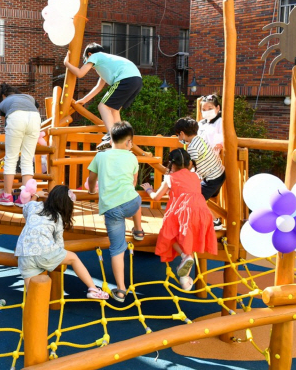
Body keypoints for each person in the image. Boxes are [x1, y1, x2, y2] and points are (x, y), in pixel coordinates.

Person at [141, 149, 217, 291]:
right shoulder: (195, 176)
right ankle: (184, 279)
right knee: (190, 240)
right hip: (201, 212)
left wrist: (148, 189)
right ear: (189, 163)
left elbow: (156, 198)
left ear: (171, 164)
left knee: (168, 235)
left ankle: (184, 256)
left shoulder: (170, 178)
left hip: (183, 211)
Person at [15, 185, 109, 299]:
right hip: (44, 252)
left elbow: (26, 206)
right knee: (73, 258)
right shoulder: (57, 217)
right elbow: (59, 244)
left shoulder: (34, 206)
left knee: (33, 296)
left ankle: (33, 313)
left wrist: (36, 195)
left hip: (23, 254)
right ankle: (93, 289)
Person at [86, 121, 143, 302]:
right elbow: (133, 183)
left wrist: (92, 190)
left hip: (112, 210)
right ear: (128, 143)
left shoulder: (100, 156)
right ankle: (139, 229)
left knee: (117, 248)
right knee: (135, 197)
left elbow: (92, 179)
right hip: (132, 204)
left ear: (110, 140)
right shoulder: (132, 157)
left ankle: (121, 289)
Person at [63, 43, 142, 151]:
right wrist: (84, 100)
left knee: (102, 106)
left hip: (125, 78)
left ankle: (112, 134)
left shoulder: (95, 56)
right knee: (114, 109)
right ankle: (120, 136)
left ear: (89, 55)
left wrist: (66, 63)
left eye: (86, 60)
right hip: (136, 80)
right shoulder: (106, 63)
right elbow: (99, 86)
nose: (87, 64)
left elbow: (80, 73)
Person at [0, 83, 40, 207]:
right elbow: (35, 107)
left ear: (3, 95)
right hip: (35, 118)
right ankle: (25, 198)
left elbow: (5, 122)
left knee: (11, 158)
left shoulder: (4, 102)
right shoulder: (28, 97)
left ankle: (7, 196)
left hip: (16, 118)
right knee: (27, 160)